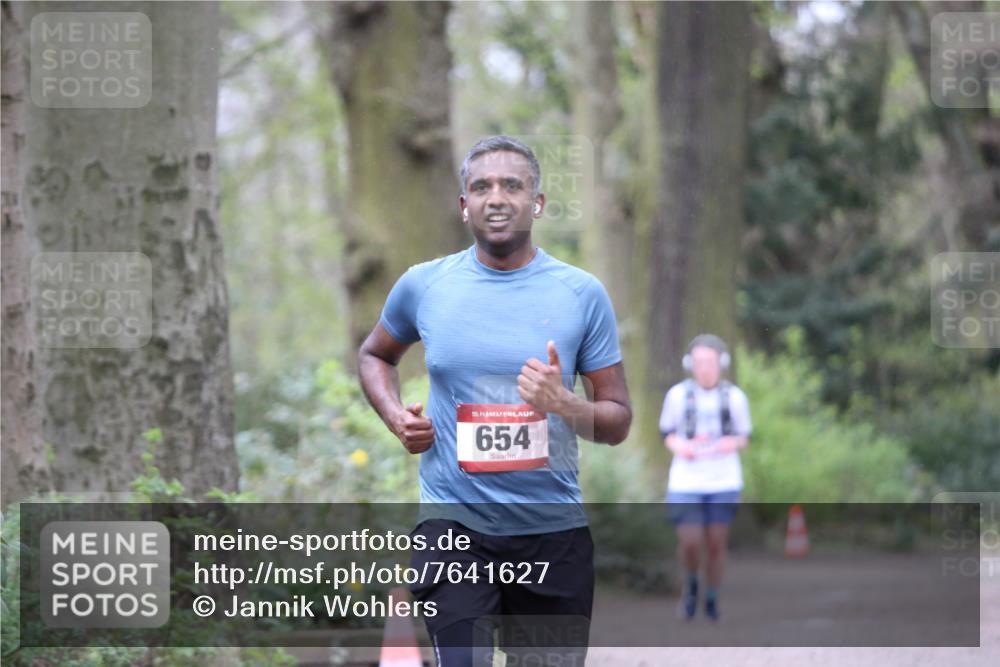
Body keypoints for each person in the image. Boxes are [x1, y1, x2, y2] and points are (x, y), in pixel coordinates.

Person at [358, 135, 632, 666]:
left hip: (552, 534)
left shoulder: (580, 294)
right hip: (454, 528)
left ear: (538, 202)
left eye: (512, 184)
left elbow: (617, 421)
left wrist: (565, 404)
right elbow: (375, 355)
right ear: (464, 206)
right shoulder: (425, 286)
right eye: (481, 187)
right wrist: (395, 417)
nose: (497, 197)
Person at [659, 334, 751, 622]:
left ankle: (711, 597)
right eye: (699, 362)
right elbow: (667, 434)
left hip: (723, 480)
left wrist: (730, 444)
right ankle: (691, 584)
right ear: (690, 364)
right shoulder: (677, 395)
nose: (704, 368)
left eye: (709, 362)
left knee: (715, 542)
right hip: (686, 480)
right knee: (690, 541)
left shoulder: (734, 397)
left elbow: (744, 436)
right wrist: (682, 447)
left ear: (720, 363)